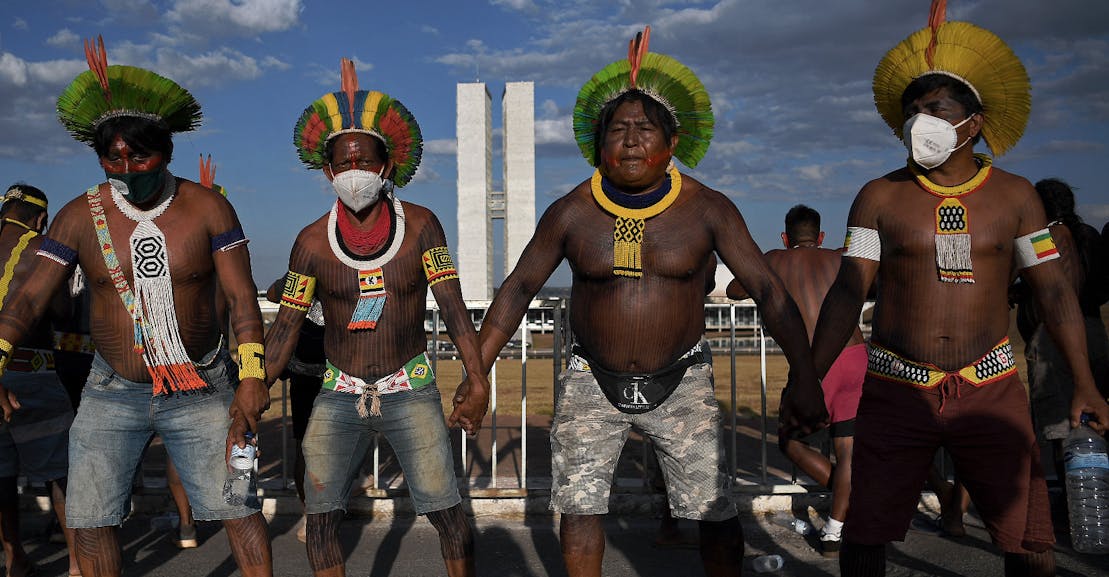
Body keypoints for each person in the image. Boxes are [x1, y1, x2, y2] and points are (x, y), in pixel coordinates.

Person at [459, 27, 824, 577]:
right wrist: (479, 370)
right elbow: (517, 289)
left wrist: (804, 374)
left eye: (645, 129)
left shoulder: (709, 209)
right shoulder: (571, 212)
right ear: (598, 145)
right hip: (590, 379)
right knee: (579, 508)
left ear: (672, 143)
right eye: (618, 130)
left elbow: (770, 291)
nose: (630, 141)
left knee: (714, 511)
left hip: (682, 380)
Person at [805, 4, 1109, 576]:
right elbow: (848, 293)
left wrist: (1085, 383)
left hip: (990, 387)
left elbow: (1054, 292)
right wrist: (808, 378)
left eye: (935, 109)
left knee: (1028, 540)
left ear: (974, 121)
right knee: (866, 533)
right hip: (896, 389)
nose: (920, 120)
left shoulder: (1018, 198)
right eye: (912, 111)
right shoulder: (879, 197)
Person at [0, 37, 273, 577]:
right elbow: (29, 294)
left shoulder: (208, 208)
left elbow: (243, 297)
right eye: (112, 157)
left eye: (139, 155)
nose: (126, 167)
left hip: (199, 383)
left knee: (237, 509)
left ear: (166, 152)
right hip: (111, 391)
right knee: (92, 517)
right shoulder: (81, 215)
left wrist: (251, 375)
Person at [252, 58, 488, 577]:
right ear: (328, 172)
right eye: (343, 162)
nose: (354, 171)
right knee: (320, 517)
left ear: (386, 168)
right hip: (338, 391)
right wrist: (254, 387)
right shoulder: (311, 244)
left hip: (411, 386)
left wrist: (477, 376)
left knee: (447, 512)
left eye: (365, 160)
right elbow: (287, 326)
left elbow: (451, 304)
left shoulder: (423, 227)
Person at [726, 204, 864, 558]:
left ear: (786, 238)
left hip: (812, 365)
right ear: (820, 237)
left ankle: (847, 508)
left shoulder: (775, 259)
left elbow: (735, 290)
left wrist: (767, 265)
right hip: (854, 356)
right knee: (847, 449)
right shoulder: (841, 259)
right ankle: (837, 528)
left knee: (791, 442)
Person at [0, 184, 79, 577]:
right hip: (32, 369)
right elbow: (62, 312)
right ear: (41, 218)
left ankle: (14, 557)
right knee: (61, 472)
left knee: (2, 474)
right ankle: (80, 565)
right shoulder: (42, 247)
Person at [1015, 178, 1109, 481]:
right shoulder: (1090, 235)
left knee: (1061, 422)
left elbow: (1055, 288)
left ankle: (1068, 496)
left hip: (1055, 338)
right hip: (1094, 331)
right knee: (1095, 415)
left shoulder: (1043, 237)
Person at [264, 275, 326, 543]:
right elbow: (273, 293)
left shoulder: (306, 275)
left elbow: (273, 293)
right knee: (312, 444)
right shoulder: (339, 273)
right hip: (328, 370)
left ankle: (310, 513)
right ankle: (313, 512)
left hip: (311, 369)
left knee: (307, 444)